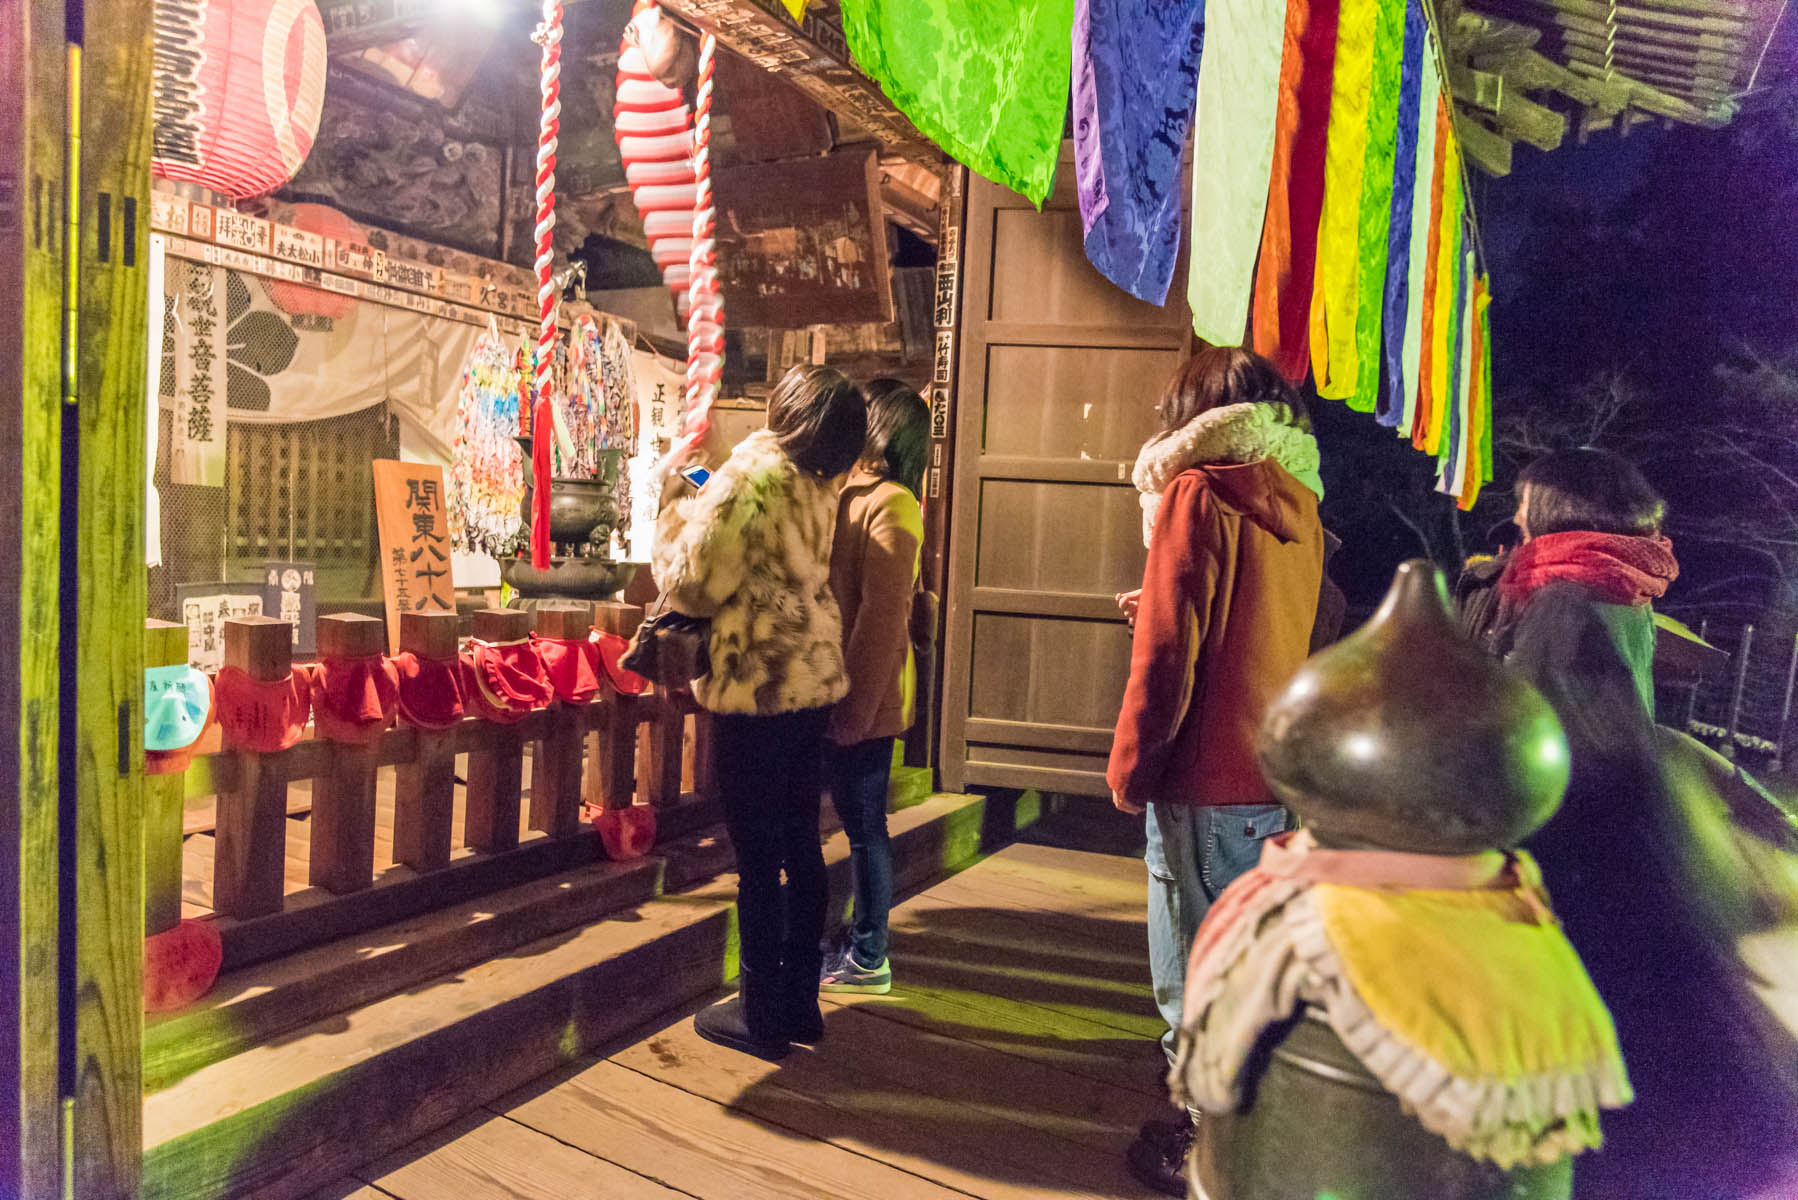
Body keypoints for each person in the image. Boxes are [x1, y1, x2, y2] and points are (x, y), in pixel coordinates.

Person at [1457, 448, 1798, 1197]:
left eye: (1523, 507)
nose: (1513, 520)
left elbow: (1543, 738)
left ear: (1550, 512)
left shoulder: (1565, 602)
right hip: (1620, 847)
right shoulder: (1617, 587)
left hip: (1577, 862)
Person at [1106, 346, 1325, 1196]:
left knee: (1193, 966)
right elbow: (1258, 618)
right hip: (1267, 770)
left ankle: (1206, 1149)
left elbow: (1169, 660)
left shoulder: (1197, 491)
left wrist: (1132, 766)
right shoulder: (1295, 497)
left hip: (1201, 772)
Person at [653, 364, 867, 1062]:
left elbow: (692, 583)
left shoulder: (752, 471)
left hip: (755, 690)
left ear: (788, 408)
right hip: (809, 685)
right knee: (803, 842)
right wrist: (700, 487)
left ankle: (758, 1013)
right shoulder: (816, 484)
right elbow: (756, 532)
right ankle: (800, 1003)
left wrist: (669, 499)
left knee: (756, 858)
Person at [819, 379, 929, 996]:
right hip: (838, 691)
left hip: (865, 696)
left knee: (864, 827)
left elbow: (881, 619)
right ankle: (851, 943)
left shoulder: (893, 503)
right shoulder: (854, 494)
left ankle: (870, 954)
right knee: (855, 825)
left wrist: (854, 712)